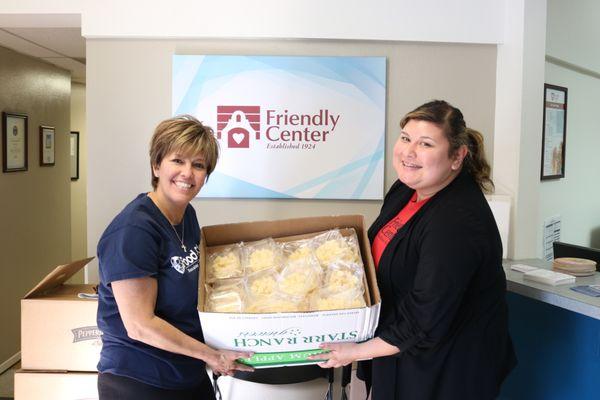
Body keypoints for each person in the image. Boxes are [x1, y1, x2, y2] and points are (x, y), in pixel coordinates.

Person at [311, 100, 516, 399]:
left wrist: (353, 352)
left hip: (445, 370)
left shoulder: (456, 221)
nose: (409, 151)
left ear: (457, 156)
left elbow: (425, 317)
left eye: (426, 144)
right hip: (399, 353)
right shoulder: (406, 189)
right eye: (406, 138)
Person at [96, 115, 252, 399]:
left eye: (199, 165)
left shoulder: (186, 215)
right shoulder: (134, 230)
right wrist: (213, 356)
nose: (187, 174)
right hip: (141, 380)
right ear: (156, 165)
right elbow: (140, 325)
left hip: (186, 371)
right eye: (177, 160)